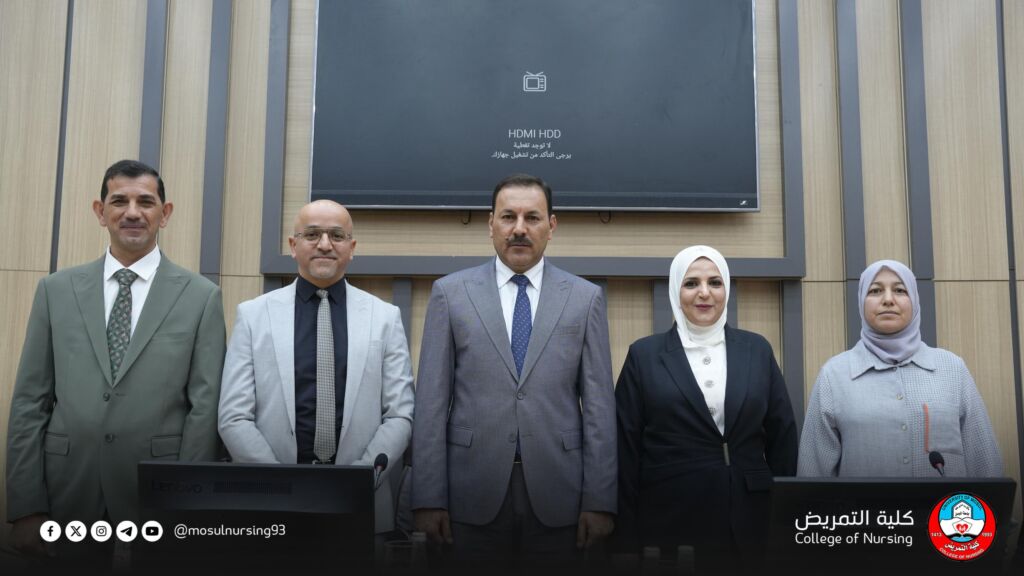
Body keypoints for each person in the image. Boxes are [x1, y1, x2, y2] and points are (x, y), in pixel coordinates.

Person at [6, 159, 225, 560]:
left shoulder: (201, 297)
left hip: (157, 497)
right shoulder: (56, 290)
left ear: (165, 213)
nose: (133, 212)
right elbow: (29, 402)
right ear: (100, 211)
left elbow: (204, 407)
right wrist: (25, 505)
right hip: (65, 490)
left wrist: (187, 504)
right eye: (119, 201)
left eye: (146, 202)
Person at [411, 174, 616, 570]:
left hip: (562, 494)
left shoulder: (585, 298)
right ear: (491, 224)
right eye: (508, 217)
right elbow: (431, 404)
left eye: (532, 218)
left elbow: (600, 410)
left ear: (551, 226)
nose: (519, 228)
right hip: (469, 493)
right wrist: (428, 498)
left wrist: (600, 500)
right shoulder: (450, 294)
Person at [218, 200, 414, 533]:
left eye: (337, 235)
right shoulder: (253, 316)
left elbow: (400, 414)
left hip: (361, 502)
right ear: (293, 246)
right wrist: (281, 486)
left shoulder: (384, 317)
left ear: (352, 248)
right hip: (272, 504)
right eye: (312, 235)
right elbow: (233, 416)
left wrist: (358, 481)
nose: (325, 244)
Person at [615, 245, 798, 572]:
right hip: (670, 517)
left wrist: (783, 517)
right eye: (691, 283)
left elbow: (782, 437)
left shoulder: (757, 349)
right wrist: (624, 535)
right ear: (676, 290)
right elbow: (624, 449)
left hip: (751, 516)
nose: (704, 293)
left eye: (715, 282)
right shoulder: (644, 355)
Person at [798, 259, 1002, 477]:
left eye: (900, 290)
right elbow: (813, 474)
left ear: (914, 300)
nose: (888, 300)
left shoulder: (952, 369)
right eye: (875, 291)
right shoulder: (834, 375)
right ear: (861, 301)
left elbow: (985, 465)